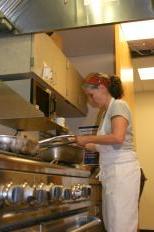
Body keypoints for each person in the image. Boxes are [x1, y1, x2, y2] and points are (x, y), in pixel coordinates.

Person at [73, 73, 141, 232]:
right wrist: (79, 142)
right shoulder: (105, 113)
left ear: (102, 88)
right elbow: (102, 146)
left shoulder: (118, 105)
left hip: (122, 171)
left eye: (91, 95)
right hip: (113, 172)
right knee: (113, 223)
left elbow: (118, 137)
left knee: (121, 224)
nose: (91, 100)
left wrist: (87, 138)